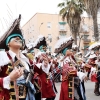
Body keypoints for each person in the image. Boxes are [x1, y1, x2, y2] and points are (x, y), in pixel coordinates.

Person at [0, 15, 36, 100]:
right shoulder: (2, 57)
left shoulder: (27, 59)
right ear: (8, 43)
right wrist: (9, 78)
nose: (18, 38)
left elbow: (38, 73)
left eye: (20, 38)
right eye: (14, 37)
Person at [34, 35, 57, 100]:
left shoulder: (45, 55)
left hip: (48, 78)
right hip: (43, 78)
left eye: (45, 47)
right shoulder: (40, 55)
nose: (45, 48)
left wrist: (52, 63)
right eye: (43, 47)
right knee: (49, 96)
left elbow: (50, 68)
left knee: (51, 95)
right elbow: (38, 67)